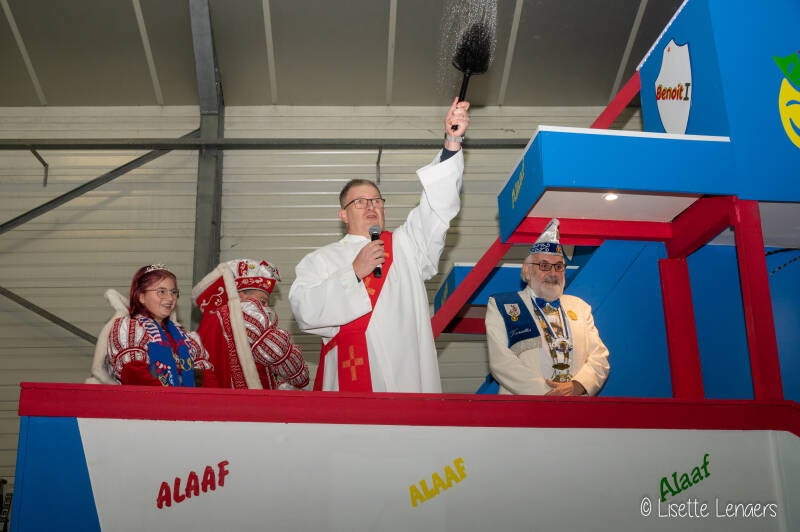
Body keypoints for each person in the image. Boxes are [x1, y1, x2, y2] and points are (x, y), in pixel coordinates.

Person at [289, 97, 470, 392]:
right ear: (343, 214)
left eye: (377, 200)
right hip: (350, 379)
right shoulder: (319, 261)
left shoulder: (405, 245)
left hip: (407, 376)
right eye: (359, 202)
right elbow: (304, 312)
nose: (371, 206)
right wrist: (353, 274)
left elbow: (437, 208)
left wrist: (452, 141)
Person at [485, 219, 610, 396]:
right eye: (544, 265)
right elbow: (501, 362)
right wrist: (546, 393)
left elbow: (599, 357)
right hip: (523, 410)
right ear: (527, 271)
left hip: (576, 411)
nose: (553, 273)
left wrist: (577, 386)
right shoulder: (503, 305)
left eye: (559, 266)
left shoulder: (580, 308)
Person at [88, 264, 218, 387]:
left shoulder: (186, 337)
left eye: (173, 292)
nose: (170, 298)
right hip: (146, 406)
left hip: (188, 406)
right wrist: (174, 396)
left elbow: (207, 378)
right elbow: (134, 375)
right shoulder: (130, 328)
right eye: (161, 292)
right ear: (141, 296)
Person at [193, 258, 310, 390]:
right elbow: (298, 375)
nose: (266, 308)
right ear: (241, 296)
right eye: (263, 301)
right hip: (245, 403)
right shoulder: (247, 314)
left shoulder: (213, 318)